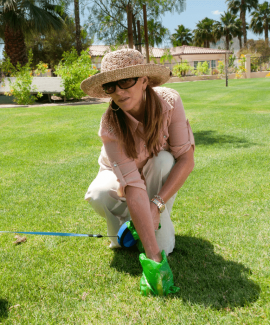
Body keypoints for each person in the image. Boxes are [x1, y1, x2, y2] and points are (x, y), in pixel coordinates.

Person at [80, 49, 195, 296]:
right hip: (120, 178)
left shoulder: (171, 102)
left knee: (164, 160)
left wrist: (155, 205)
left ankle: (148, 217)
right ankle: (128, 226)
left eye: (126, 81)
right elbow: (132, 184)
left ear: (144, 81)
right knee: (100, 193)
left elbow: (186, 158)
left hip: (157, 176)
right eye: (111, 86)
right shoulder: (110, 124)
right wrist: (154, 258)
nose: (119, 91)